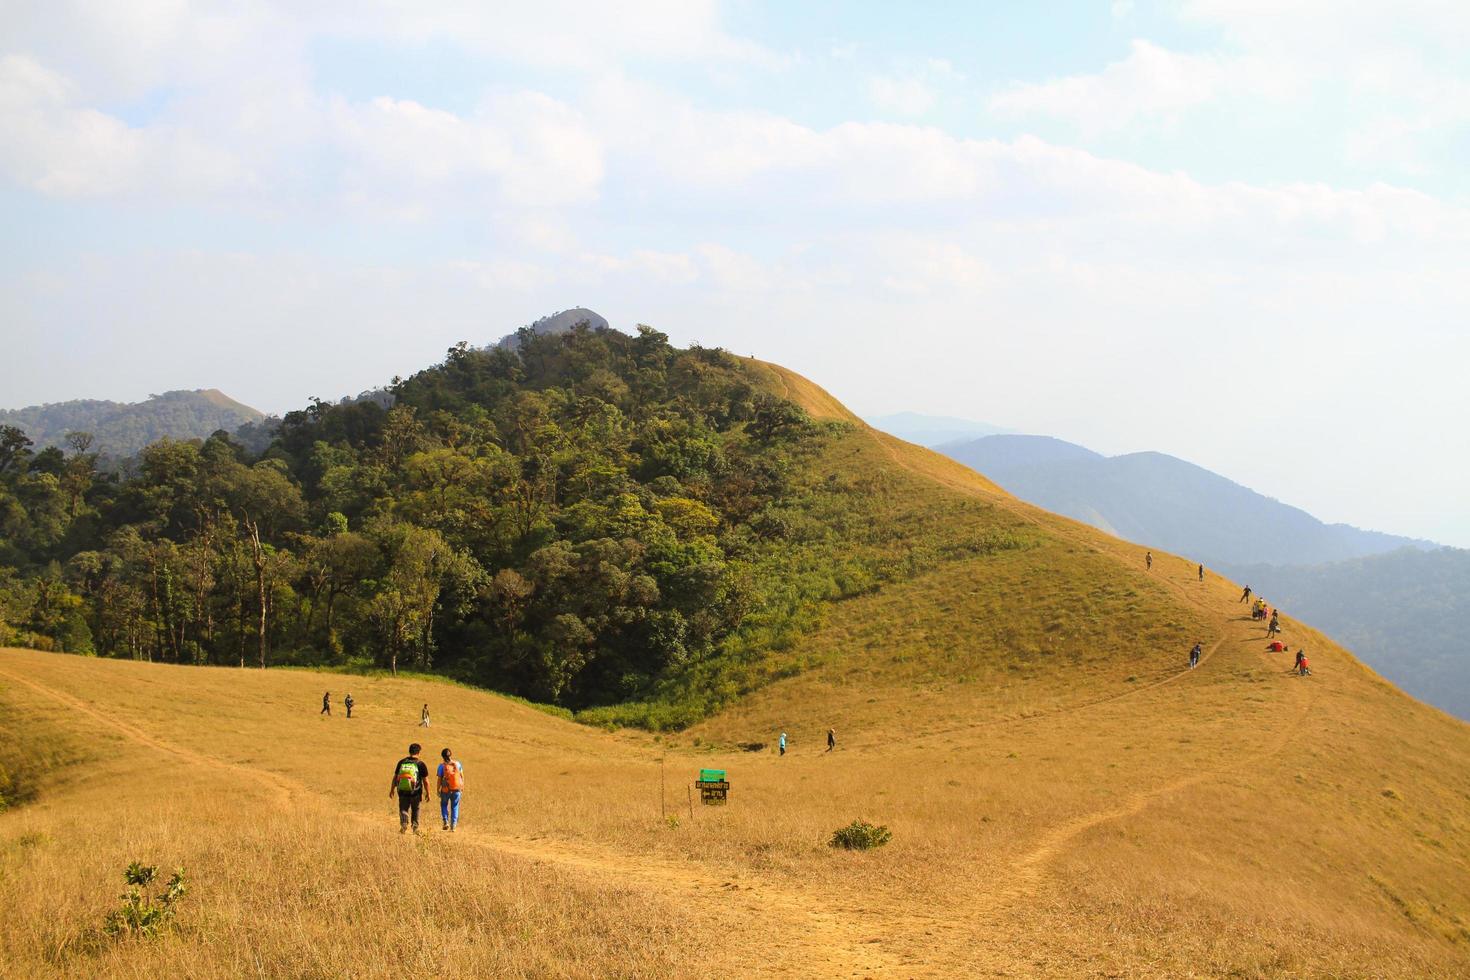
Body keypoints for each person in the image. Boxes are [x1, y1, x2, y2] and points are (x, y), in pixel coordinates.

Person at [389, 743, 432, 834]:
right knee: (415, 809)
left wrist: (392, 789)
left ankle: (404, 824)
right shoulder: (421, 764)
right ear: (419, 752)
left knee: (403, 808)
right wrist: (428, 793)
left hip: (402, 791)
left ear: (409, 751)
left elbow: (395, 777)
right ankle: (415, 828)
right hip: (416, 792)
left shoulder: (401, 762)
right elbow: (426, 781)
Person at [437, 748, 464, 832]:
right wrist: (462, 786)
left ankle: (445, 821)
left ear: (442, 756)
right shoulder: (458, 764)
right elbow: (462, 776)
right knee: (455, 806)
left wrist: (438, 790)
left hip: (445, 790)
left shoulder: (441, 766)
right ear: (451, 755)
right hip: (457, 789)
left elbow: (439, 779)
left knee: (444, 805)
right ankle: (453, 826)